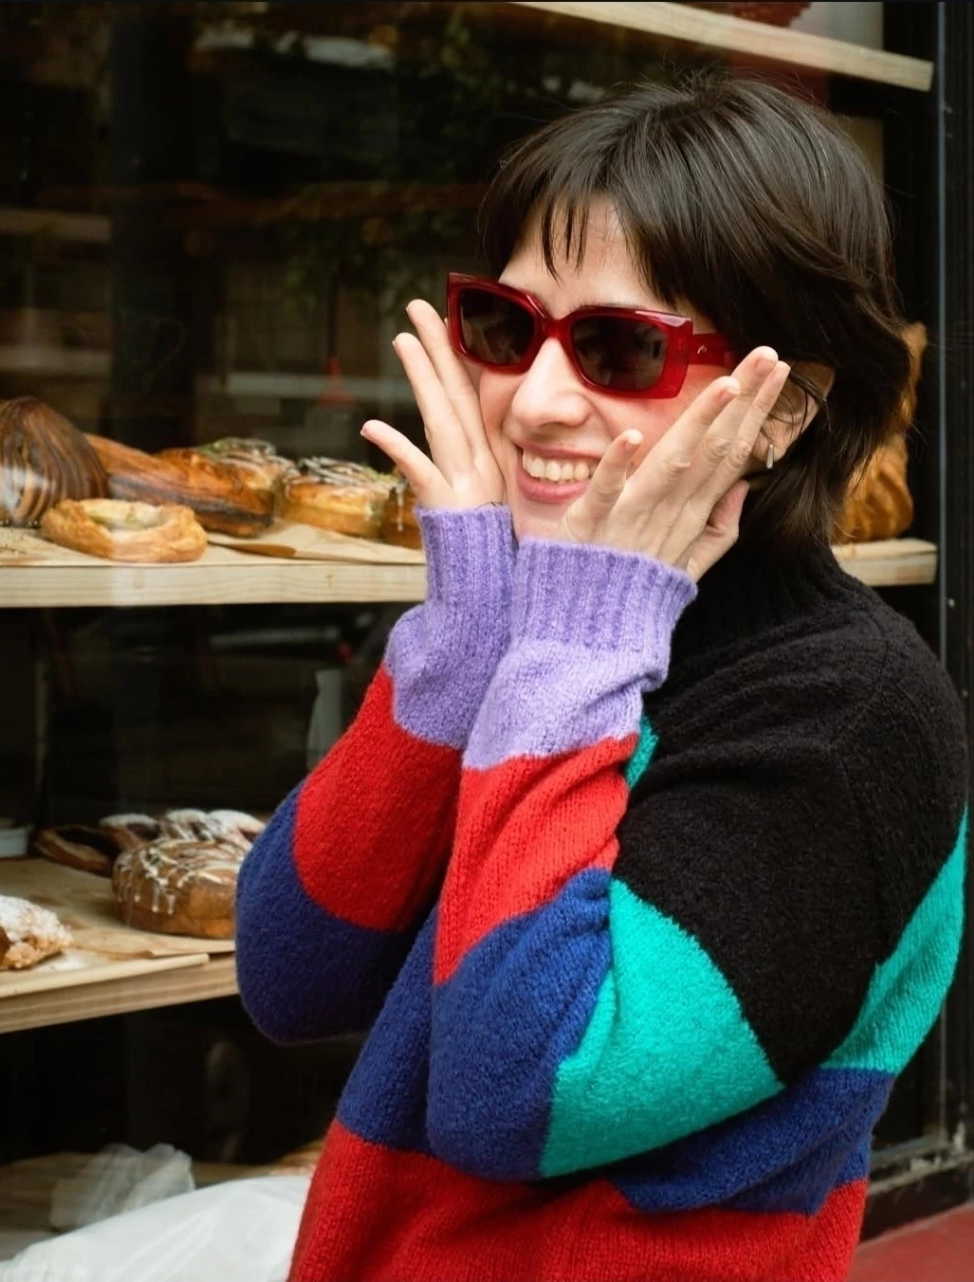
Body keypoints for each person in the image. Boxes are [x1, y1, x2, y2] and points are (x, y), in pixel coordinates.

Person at [235, 72, 968, 1282]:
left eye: (620, 348)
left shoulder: (848, 714)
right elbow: (292, 974)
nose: (533, 402)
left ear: (785, 411)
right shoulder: (525, 637)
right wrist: (464, 643)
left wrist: (576, 644)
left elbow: (516, 1093)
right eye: (504, 328)